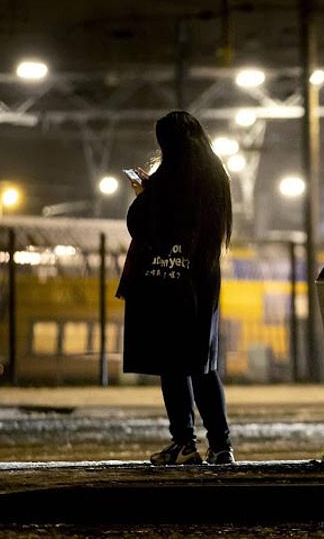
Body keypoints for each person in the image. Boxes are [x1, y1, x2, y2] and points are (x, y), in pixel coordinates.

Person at [116, 111, 235, 465]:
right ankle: (221, 446)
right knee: (203, 365)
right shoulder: (216, 176)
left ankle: (184, 442)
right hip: (203, 281)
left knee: (172, 365)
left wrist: (144, 193)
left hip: (166, 281)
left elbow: (141, 225)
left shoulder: (168, 178)